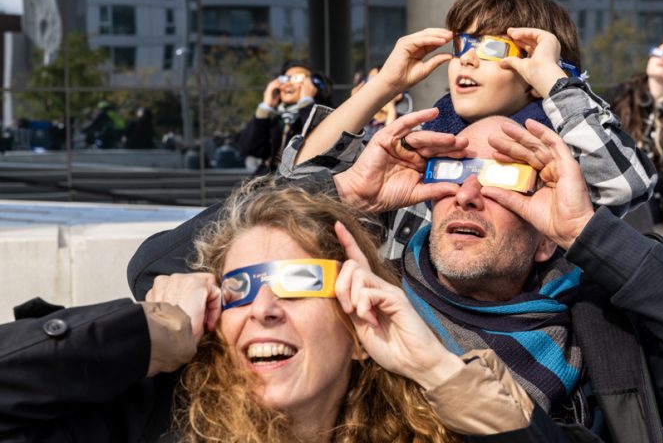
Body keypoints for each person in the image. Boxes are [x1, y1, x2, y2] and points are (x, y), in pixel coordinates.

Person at [128, 111, 663, 442]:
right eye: (451, 174)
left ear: (547, 238)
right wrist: (346, 190)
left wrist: (589, 234)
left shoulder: (597, 337)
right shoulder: (365, 305)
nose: (466, 194)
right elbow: (156, 272)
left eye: (504, 181)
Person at [1, 184, 569, 442]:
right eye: (239, 289)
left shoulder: (436, 430)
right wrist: (146, 334)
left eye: (300, 283)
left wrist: (438, 370)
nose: (264, 309)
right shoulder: (139, 421)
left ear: (356, 329)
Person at [278, 0, 656, 261]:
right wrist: (384, 85)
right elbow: (300, 184)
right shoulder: (419, 149)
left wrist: (557, 83)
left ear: (536, 70)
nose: (467, 59)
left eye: (492, 47)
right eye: (461, 45)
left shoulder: (557, 161)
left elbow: (625, 185)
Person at [603, 41, 663, 238]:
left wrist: (639, 184)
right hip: (609, 196)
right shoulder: (617, 97)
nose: (662, 57)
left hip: (656, 207)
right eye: (658, 51)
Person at [238, 60, 333, 175]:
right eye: (285, 79)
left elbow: (323, 142)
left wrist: (306, 104)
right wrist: (265, 108)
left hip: (302, 186)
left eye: (297, 78)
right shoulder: (276, 118)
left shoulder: (327, 114)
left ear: (314, 84)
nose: (288, 84)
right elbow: (249, 148)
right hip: (267, 187)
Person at [351, 65, 411, 141]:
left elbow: (387, 140)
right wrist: (354, 103)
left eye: (376, 81)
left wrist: (390, 110)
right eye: (369, 80)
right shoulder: (364, 119)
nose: (370, 86)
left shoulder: (403, 120)